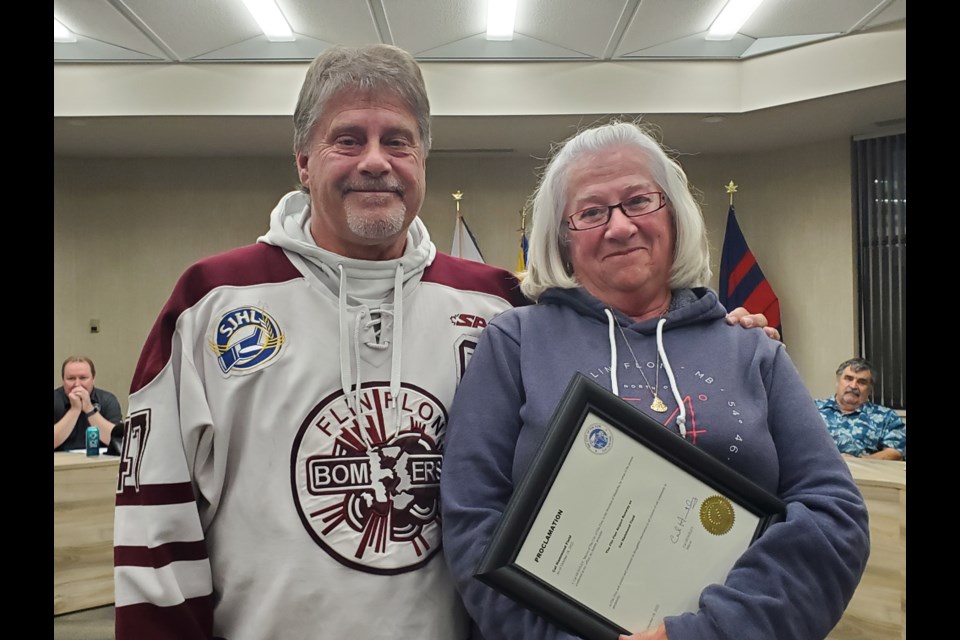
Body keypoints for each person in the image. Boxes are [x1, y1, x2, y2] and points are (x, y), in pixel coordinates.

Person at [112, 46, 775, 639]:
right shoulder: (210, 302)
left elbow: (623, 357)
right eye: (348, 139)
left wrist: (711, 336)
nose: (377, 160)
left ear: (422, 159)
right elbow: (156, 530)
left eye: (397, 141)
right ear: (303, 161)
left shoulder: (503, 307)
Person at [440, 120, 870, 640]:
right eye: (591, 212)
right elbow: (472, 520)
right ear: (564, 238)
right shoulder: (515, 342)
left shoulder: (751, 349)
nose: (619, 227)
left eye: (639, 201)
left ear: (674, 215)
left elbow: (834, 515)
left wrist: (710, 632)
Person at [816, 357, 905, 460]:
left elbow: (895, 452)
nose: (853, 386)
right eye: (848, 378)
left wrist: (860, 462)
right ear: (838, 381)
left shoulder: (887, 417)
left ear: (870, 389)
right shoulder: (813, 409)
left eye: (861, 382)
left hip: (862, 474)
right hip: (816, 471)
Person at [54, 356, 122, 451]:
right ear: (63, 380)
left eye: (83, 378)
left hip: (99, 462)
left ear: (93, 379)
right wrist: (74, 410)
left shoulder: (108, 400)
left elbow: (117, 441)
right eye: (71, 378)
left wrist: (89, 409)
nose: (77, 384)